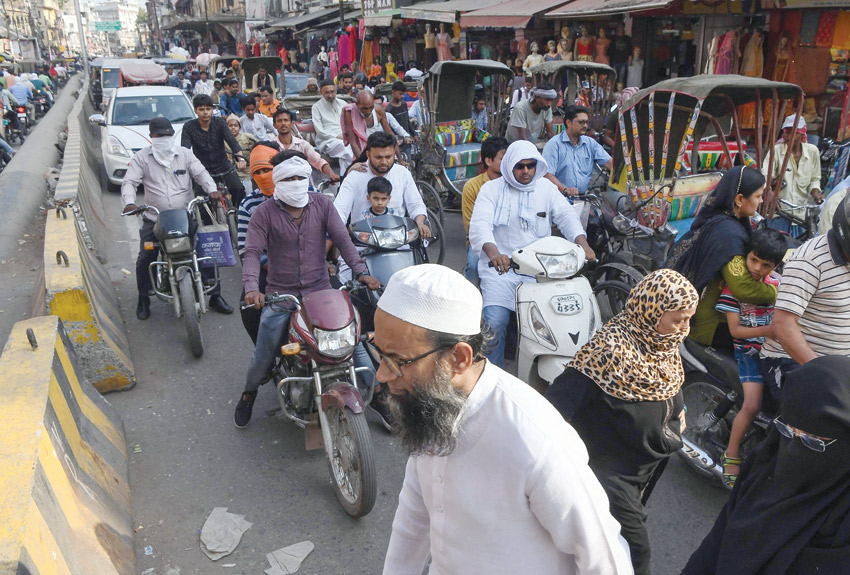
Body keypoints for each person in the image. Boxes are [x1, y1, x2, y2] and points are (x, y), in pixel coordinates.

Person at [375, 264, 634, 575]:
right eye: (381, 355)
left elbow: (605, 560)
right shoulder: (432, 407)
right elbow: (413, 519)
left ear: (458, 358)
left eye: (399, 361)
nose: (382, 374)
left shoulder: (535, 438)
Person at [547, 269, 698, 575]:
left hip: (644, 469)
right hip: (609, 476)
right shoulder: (608, 352)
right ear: (650, 311)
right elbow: (554, 408)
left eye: (689, 319)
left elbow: (667, 389)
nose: (685, 329)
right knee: (636, 552)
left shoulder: (661, 345)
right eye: (678, 319)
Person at [235, 151, 380, 428]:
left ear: (308, 179)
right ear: (278, 182)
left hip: (321, 290)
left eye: (300, 177)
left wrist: (361, 272)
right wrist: (252, 288)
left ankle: (380, 397)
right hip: (281, 295)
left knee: (353, 341)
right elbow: (252, 252)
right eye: (288, 178)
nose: (295, 182)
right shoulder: (262, 213)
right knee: (264, 352)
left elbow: (342, 238)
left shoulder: (323, 204)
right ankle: (248, 393)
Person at [683, 356, 850, 575]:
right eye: (786, 430)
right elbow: (716, 541)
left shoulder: (842, 517)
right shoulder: (766, 462)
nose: (792, 448)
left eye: (812, 441)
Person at [468, 140, 595, 367]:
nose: (526, 171)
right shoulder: (491, 189)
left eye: (530, 165)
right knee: (495, 323)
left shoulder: (546, 188)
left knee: (556, 322)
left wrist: (582, 244)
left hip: (541, 271)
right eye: (520, 166)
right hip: (502, 271)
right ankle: (492, 376)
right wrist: (495, 253)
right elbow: (480, 226)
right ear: (509, 166)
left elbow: (566, 216)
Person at [120, 118, 231, 320]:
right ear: (151, 136)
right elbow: (129, 182)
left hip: (185, 217)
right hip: (155, 219)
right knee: (145, 257)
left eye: (167, 135)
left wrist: (212, 190)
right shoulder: (141, 158)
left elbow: (201, 174)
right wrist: (129, 202)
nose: (164, 139)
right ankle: (143, 298)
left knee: (204, 249)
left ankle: (215, 296)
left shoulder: (185, 154)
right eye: (159, 135)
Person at [668, 166, 778, 348]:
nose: (760, 201)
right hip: (707, 322)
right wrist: (778, 291)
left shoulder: (722, 219)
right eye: (758, 196)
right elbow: (743, 288)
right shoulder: (728, 236)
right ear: (740, 199)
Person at [714, 228, 786, 488]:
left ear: (774, 266)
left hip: (776, 349)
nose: (756, 268)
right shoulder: (734, 290)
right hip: (749, 352)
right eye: (753, 260)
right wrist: (768, 331)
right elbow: (736, 331)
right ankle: (731, 453)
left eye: (765, 265)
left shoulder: (776, 284)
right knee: (752, 404)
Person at [760, 196, 850, 392]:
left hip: (840, 365)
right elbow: (783, 325)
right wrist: (825, 373)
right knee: (825, 416)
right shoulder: (810, 261)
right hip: (791, 361)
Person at [334, 132, 429, 281]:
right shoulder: (355, 176)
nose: (384, 162)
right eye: (378, 157)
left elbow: (416, 204)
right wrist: (340, 233)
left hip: (400, 245)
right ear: (368, 154)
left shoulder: (402, 174)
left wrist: (420, 221)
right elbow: (339, 211)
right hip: (361, 247)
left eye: (388, 157)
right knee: (345, 286)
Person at [237, 143, 284, 344]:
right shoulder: (249, 205)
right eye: (259, 171)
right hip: (269, 266)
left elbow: (330, 234)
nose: (264, 176)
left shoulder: (308, 193)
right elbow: (246, 249)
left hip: (309, 264)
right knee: (248, 307)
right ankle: (264, 357)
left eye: (268, 170)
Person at [181, 94, 248, 208]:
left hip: (223, 166)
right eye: (201, 109)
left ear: (212, 110)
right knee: (202, 203)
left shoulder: (220, 123)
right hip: (202, 169)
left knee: (238, 189)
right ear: (195, 110)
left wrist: (240, 158)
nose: (205, 112)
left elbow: (232, 142)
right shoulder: (189, 127)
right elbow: (185, 150)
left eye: (208, 109)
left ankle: (237, 214)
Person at [764, 114, 823, 235]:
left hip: (800, 213)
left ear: (802, 134)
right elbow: (764, 176)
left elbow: (815, 178)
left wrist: (815, 191)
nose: (787, 136)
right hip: (779, 212)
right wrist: (769, 193)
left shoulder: (812, 151)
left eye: (792, 133)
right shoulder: (777, 150)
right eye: (786, 132)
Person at [462, 137, 508, 284]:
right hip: (481, 240)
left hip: (509, 236)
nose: (508, 164)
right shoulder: (472, 186)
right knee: (473, 267)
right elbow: (471, 227)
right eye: (503, 159)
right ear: (488, 161)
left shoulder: (514, 183)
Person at [543, 105, 613, 197]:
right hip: (560, 198)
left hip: (584, 198)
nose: (585, 126)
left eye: (586, 122)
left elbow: (610, 163)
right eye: (581, 122)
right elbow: (547, 174)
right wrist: (564, 189)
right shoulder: (554, 145)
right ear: (568, 122)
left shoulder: (590, 143)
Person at [271, 108, 339, 182]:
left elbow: (318, 161)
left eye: (286, 120)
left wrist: (331, 174)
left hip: (303, 184)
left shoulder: (303, 144)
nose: (283, 123)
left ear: (292, 124)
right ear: (274, 125)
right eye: (279, 121)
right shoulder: (270, 146)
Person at [341, 90, 401, 159]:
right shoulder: (350, 112)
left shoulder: (379, 110)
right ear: (356, 104)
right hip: (357, 150)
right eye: (364, 109)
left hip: (375, 148)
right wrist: (363, 162)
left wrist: (400, 159)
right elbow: (353, 142)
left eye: (371, 107)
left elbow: (390, 135)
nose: (368, 111)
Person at [311, 79, 354, 174]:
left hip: (345, 138)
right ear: (321, 92)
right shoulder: (316, 107)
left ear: (336, 91)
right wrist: (337, 137)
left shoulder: (343, 104)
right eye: (326, 93)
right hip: (328, 141)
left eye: (332, 92)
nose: (330, 95)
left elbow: (351, 123)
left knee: (345, 155)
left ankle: (344, 179)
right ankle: (354, 174)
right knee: (345, 147)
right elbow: (320, 131)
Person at [226, 114, 258, 195]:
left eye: (235, 125)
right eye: (230, 125)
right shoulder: (223, 141)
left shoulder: (247, 137)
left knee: (249, 194)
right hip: (231, 172)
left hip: (246, 172)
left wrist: (253, 147)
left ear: (240, 128)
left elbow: (259, 145)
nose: (233, 127)